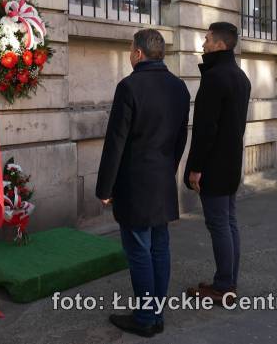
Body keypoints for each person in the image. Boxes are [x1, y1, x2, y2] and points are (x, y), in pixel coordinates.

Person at [96, 29, 190, 337]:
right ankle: (156, 312)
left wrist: (105, 188)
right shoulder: (179, 87)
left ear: (138, 53)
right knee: (159, 247)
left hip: (135, 184)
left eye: (129, 49)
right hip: (162, 179)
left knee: (139, 250)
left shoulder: (129, 86)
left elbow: (116, 142)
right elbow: (180, 138)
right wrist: (169, 168)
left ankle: (146, 318)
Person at [184, 22, 251, 304]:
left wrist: (195, 168)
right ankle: (228, 281)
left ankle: (223, 286)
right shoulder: (240, 76)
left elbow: (205, 129)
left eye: (207, 39)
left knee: (220, 225)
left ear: (221, 45)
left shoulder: (215, 77)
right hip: (231, 161)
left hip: (214, 164)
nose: (203, 44)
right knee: (229, 222)